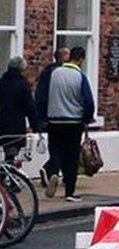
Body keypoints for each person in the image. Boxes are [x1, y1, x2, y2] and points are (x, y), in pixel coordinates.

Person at [38, 47, 94, 202]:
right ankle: (69, 192)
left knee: (56, 152)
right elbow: (88, 102)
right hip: (73, 122)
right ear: (81, 59)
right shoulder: (80, 76)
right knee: (71, 158)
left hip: (54, 121)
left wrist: (43, 118)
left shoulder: (54, 73)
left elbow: (43, 96)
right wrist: (87, 119)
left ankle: (53, 173)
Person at [0, 57, 37, 164]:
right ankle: (5, 177)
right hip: (15, 126)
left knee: (8, 154)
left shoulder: (2, 83)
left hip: (2, 124)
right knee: (11, 156)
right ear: (21, 70)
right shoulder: (23, 85)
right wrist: (35, 126)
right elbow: (30, 108)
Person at [34, 47, 70, 130]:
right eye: (68, 55)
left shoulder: (48, 71)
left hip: (51, 115)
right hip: (57, 116)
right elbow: (42, 95)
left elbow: (40, 95)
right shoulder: (54, 72)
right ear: (63, 57)